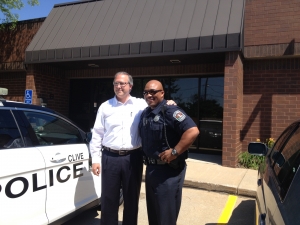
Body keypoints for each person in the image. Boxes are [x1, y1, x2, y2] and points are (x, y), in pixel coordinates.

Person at [89, 72, 175, 225]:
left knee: (131, 198)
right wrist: (95, 159)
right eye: (116, 83)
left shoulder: (141, 104)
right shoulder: (105, 106)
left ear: (130, 86)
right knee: (109, 198)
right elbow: (97, 134)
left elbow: (157, 104)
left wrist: (168, 103)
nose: (119, 86)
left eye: (122, 83)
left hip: (133, 157)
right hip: (110, 157)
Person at [139, 80, 199, 225]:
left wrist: (174, 151)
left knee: (166, 216)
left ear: (162, 93)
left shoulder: (171, 111)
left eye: (153, 92)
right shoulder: (146, 113)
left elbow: (192, 131)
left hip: (169, 172)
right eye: (146, 92)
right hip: (152, 169)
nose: (149, 95)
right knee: (154, 214)